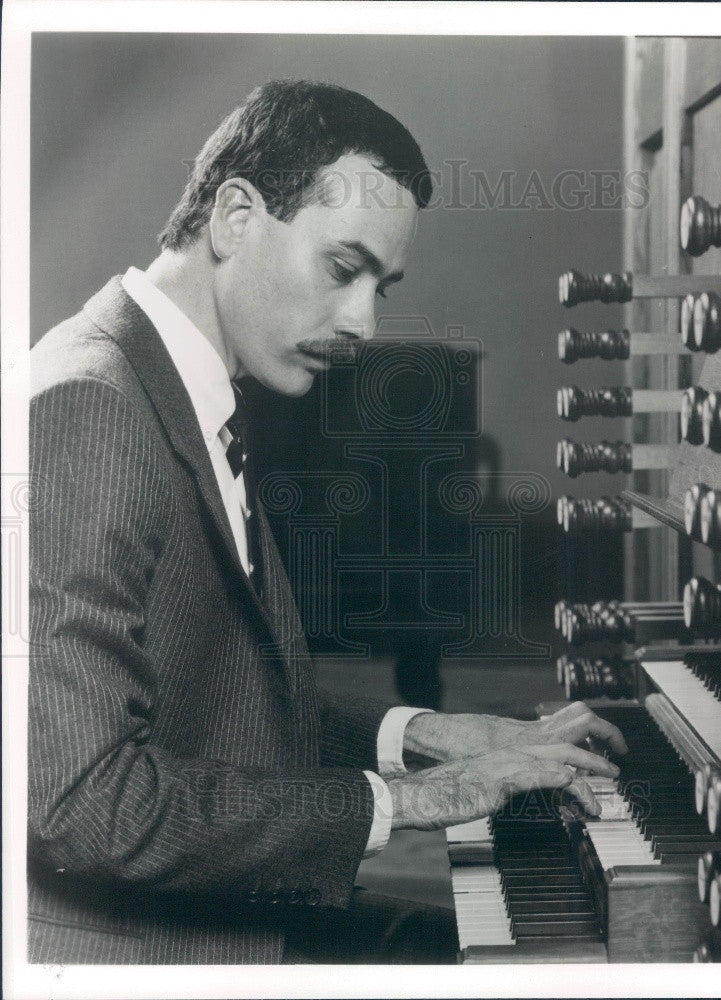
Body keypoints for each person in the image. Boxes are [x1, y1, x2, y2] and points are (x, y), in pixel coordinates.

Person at [28, 80, 627, 965]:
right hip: (143, 957)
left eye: (381, 286)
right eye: (343, 270)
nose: (363, 323)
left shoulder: (181, 389)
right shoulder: (91, 403)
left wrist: (426, 736)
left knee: (564, 953)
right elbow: (80, 802)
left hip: (225, 922)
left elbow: (223, 713)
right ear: (235, 215)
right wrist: (413, 800)